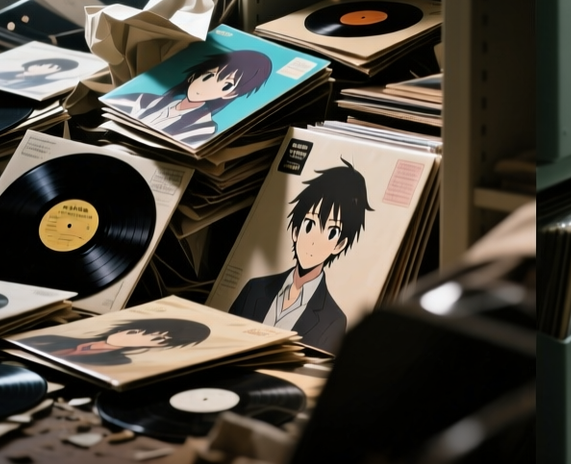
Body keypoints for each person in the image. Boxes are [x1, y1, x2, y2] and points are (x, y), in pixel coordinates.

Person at [227, 161, 373, 353]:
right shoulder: (254, 288)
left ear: (339, 245)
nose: (313, 241)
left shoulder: (333, 319)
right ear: (295, 231)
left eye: (331, 232)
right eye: (309, 224)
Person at [102, 49, 272, 146]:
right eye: (208, 76)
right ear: (194, 76)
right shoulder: (145, 100)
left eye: (226, 85)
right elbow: (113, 107)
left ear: (231, 94)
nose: (207, 86)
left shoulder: (203, 128)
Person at [14, 318, 211, 367]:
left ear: (160, 346)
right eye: (137, 328)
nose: (137, 334)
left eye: (159, 338)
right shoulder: (54, 336)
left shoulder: (119, 363)